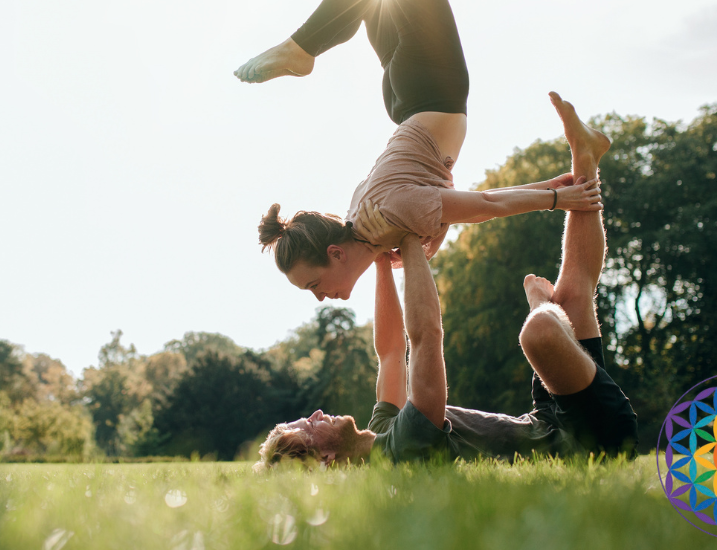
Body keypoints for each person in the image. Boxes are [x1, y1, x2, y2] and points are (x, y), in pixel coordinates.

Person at [254, 98, 638, 469]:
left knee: (574, 293)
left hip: (550, 420)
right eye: (309, 426)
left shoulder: (383, 429)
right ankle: (541, 305)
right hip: (589, 442)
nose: (316, 413)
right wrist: (405, 235)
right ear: (325, 460)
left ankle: (586, 154)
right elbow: (424, 336)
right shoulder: (405, 450)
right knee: (539, 332)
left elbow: (389, 351)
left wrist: (379, 259)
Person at [243, 0, 607, 301]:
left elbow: (486, 205)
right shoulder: (363, 214)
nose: (318, 297)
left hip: (432, 90)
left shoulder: (390, 216)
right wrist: (547, 187)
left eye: (313, 285)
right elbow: (448, 190)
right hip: (405, 101)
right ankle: (310, 44)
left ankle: (303, 48)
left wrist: (556, 201)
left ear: (335, 253)